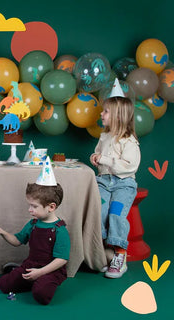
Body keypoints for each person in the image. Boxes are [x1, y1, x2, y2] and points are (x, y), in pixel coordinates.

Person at [0, 157, 70, 305]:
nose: (29, 210)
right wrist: (1, 231)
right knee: (4, 285)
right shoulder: (33, 224)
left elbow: (61, 259)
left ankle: (41, 282)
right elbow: (17, 241)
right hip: (31, 265)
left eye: (34, 206)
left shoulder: (60, 230)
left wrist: (40, 272)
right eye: (29, 205)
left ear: (51, 207)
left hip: (50, 270)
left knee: (41, 295)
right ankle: (29, 278)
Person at [90, 81, 140, 279]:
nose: (102, 115)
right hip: (103, 181)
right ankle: (104, 253)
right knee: (99, 211)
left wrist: (105, 160)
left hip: (123, 184)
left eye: (106, 112)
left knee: (116, 214)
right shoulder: (105, 136)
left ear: (118, 116)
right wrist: (95, 158)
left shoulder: (129, 141)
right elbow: (98, 154)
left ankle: (120, 255)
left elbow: (130, 166)